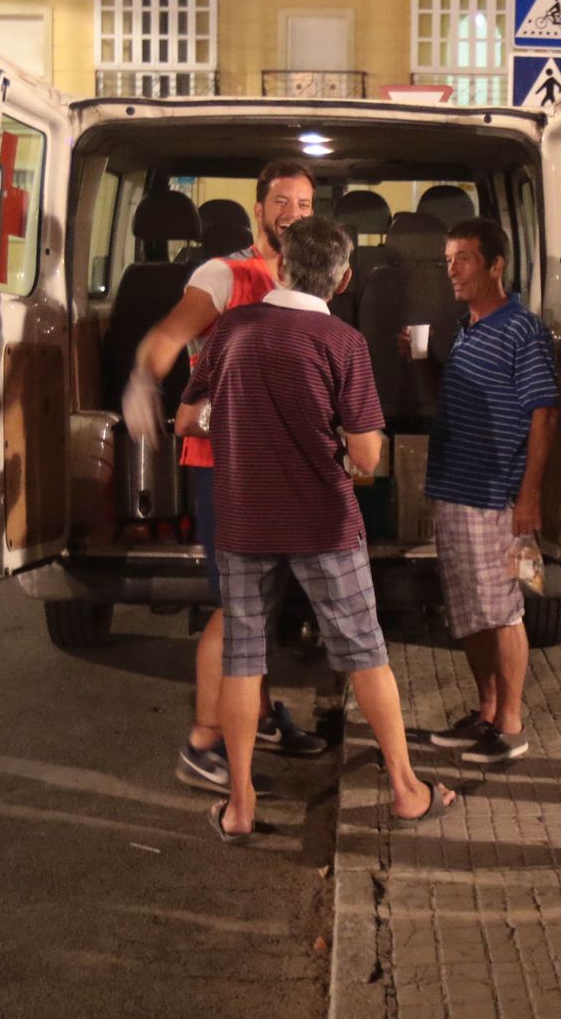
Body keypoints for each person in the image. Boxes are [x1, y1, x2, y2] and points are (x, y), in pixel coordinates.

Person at [179, 216, 458, 842]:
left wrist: (236, 427)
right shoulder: (343, 343)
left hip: (245, 519)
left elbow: (186, 420)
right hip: (324, 523)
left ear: (279, 267)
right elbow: (366, 457)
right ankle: (408, 791)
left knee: (244, 659)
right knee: (364, 652)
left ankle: (241, 806)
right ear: (345, 277)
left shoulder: (230, 330)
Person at [121, 161, 326, 793]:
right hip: (225, 466)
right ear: (259, 207)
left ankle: (256, 718)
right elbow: (168, 335)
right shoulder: (224, 273)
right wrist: (142, 382)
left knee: (261, 603)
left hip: (276, 465)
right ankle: (204, 740)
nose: (294, 211)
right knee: (236, 607)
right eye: (282, 201)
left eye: (306, 202)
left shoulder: (300, 277)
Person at [407, 218, 558, 766]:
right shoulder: (466, 328)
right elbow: (456, 400)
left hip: (495, 494)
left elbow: (543, 414)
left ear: (496, 264)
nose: (453, 270)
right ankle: (487, 713)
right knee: (468, 612)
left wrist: (529, 495)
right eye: (448, 260)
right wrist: (423, 363)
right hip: (453, 486)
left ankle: (512, 726)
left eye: (464, 259)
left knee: (501, 610)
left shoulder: (523, 329)